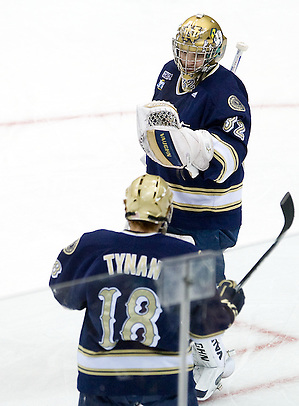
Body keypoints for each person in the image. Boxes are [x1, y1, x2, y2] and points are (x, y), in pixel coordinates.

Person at [49, 174, 245, 405]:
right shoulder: (184, 255)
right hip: (163, 379)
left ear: (127, 206)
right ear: (168, 211)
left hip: (101, 378)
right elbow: (203, 327)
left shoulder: (93, 245)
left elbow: (64, 294)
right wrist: (228, 304)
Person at [137, 13, 251, 283]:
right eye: (183, 53)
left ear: (215, 53)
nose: (188, 61)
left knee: (201, 297)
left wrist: (197, 147)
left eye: (197, 55)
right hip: (167, 203)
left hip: (206, 214)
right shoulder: (169, 71)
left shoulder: (226, 90)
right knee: (163, 286)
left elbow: (232, 154)